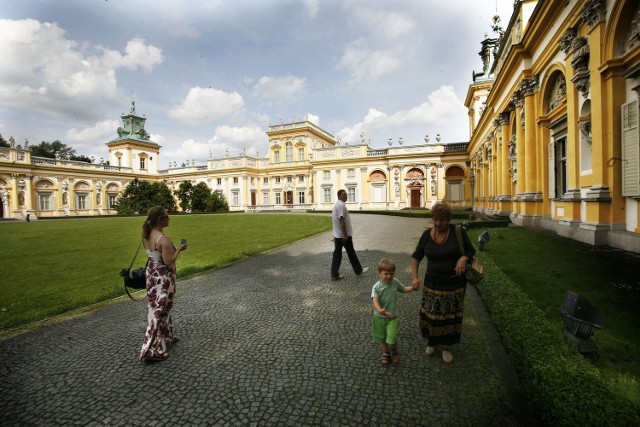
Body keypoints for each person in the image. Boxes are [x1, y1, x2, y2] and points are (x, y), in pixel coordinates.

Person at [411, 203, 475, 363]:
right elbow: (416, 256)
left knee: (449, 316)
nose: (438, 223)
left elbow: (471, 250)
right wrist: (414, 277)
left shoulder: (457, 232)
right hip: (432, 283)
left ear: (448, 219)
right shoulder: (426, 235)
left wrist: (463, 257)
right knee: (432, 314)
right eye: (435, 220)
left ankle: (446, 346)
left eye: (442, 220)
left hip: (454, 284)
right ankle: (432, 342)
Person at [139, 206, 187, 363]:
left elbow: (154, 257)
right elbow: (168, 261)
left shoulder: (146, 234)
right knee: (160, 311)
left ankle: (166, 338)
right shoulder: (163, 239)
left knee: (161, 308)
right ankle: (152, 351)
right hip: (163, 278)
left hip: (152, 274)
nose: (169, 219)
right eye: (166, 217)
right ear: (160, 220)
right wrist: (179, 249)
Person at [372, 259, 418, 365]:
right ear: (379, 274)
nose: (389, 276)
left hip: (392, 317)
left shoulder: (395, 282)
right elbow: (375, 300)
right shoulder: (376, 287)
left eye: (391, 274)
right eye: (386, 274)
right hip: (379, 316)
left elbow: (403, 289)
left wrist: (412, 288)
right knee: (382, 337)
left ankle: (394, 350)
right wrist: (380, 310)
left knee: (391, 339)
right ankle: (386, 352)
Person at [331, 189, 369, 280]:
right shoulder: (341, 205)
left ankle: (334, 274)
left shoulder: (337, 204)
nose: (346, 196)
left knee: (337, 254)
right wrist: (345, 234)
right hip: (343, 236)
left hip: (337, 235)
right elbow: (341, 220)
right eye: (344, 195)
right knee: (351, 253)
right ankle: (358, 270)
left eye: (346, 195)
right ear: (339, 196)